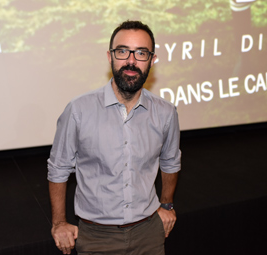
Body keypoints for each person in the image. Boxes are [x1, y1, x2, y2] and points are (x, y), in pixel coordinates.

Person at [47, 20, 181, 255]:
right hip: (96, 237)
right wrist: (59, 223)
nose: (131, 61)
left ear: (152, 59)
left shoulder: (166, 112)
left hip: (149, 233)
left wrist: (166, 204)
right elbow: (58, 168)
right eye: (122, 51)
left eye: (141, 53)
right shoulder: (78, 110)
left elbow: (170, 162)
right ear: (110, 57)